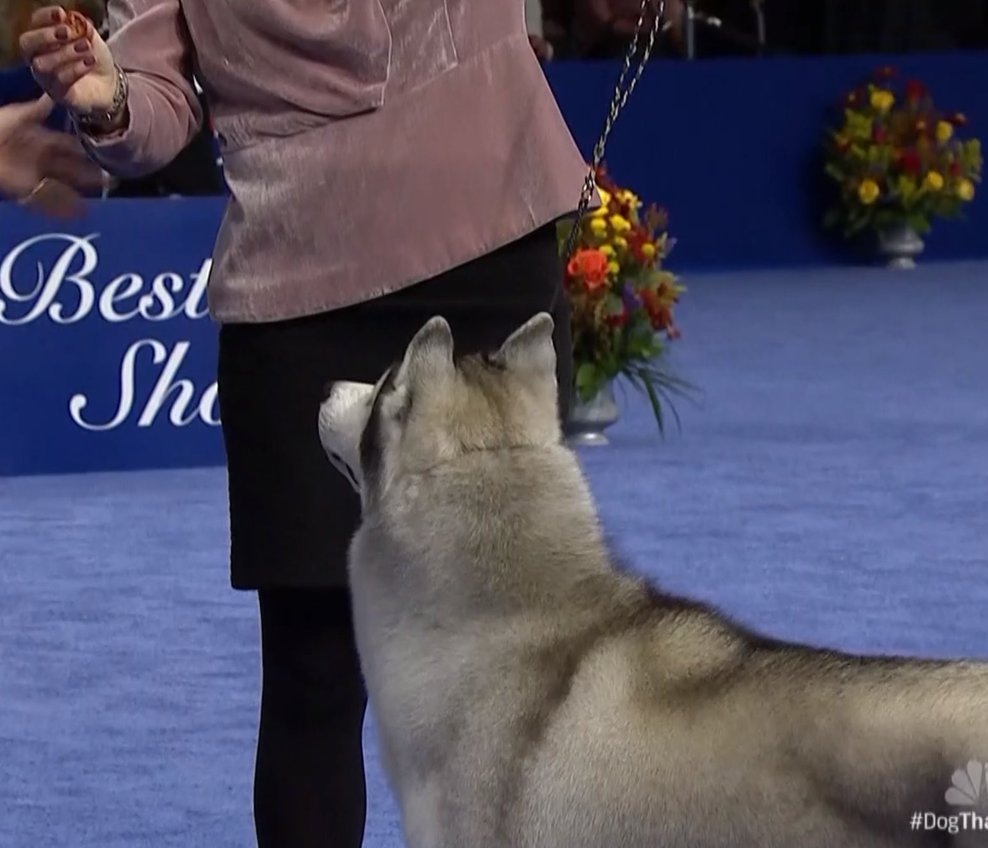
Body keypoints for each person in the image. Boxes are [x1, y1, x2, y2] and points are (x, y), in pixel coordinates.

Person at [20, 3, 590, 847]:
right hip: (300, 285)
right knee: (315, 669)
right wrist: (108, 99)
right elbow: (152, 106)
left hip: (491, 241)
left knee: (510, 662)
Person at [0, 94, 102, 215]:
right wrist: (32, 194)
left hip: (59, 142)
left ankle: (113, 156)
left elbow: (40, 110)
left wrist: (57, 85)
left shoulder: (4, 123)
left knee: (54, 144)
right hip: (33, 175)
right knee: (65, 170)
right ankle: (112, 178)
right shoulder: (12, 178)